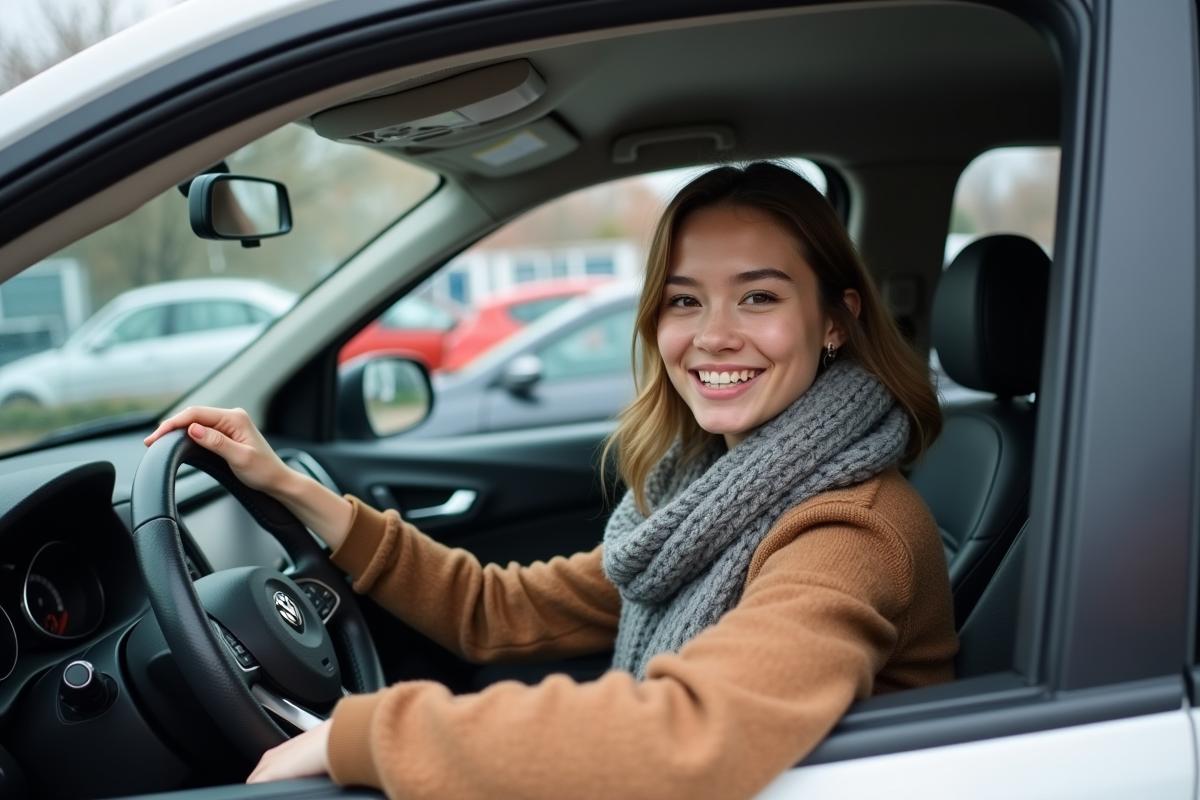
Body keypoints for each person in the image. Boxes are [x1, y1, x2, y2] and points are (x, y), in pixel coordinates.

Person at [144, 162, 957, 800]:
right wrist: (290, 489)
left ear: (835, 320)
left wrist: (367, 736)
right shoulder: (712, 492)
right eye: (684, 301)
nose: (713, 336)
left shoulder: (850, 529)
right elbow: (497, 613)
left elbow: (692, 734)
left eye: (759, 296)